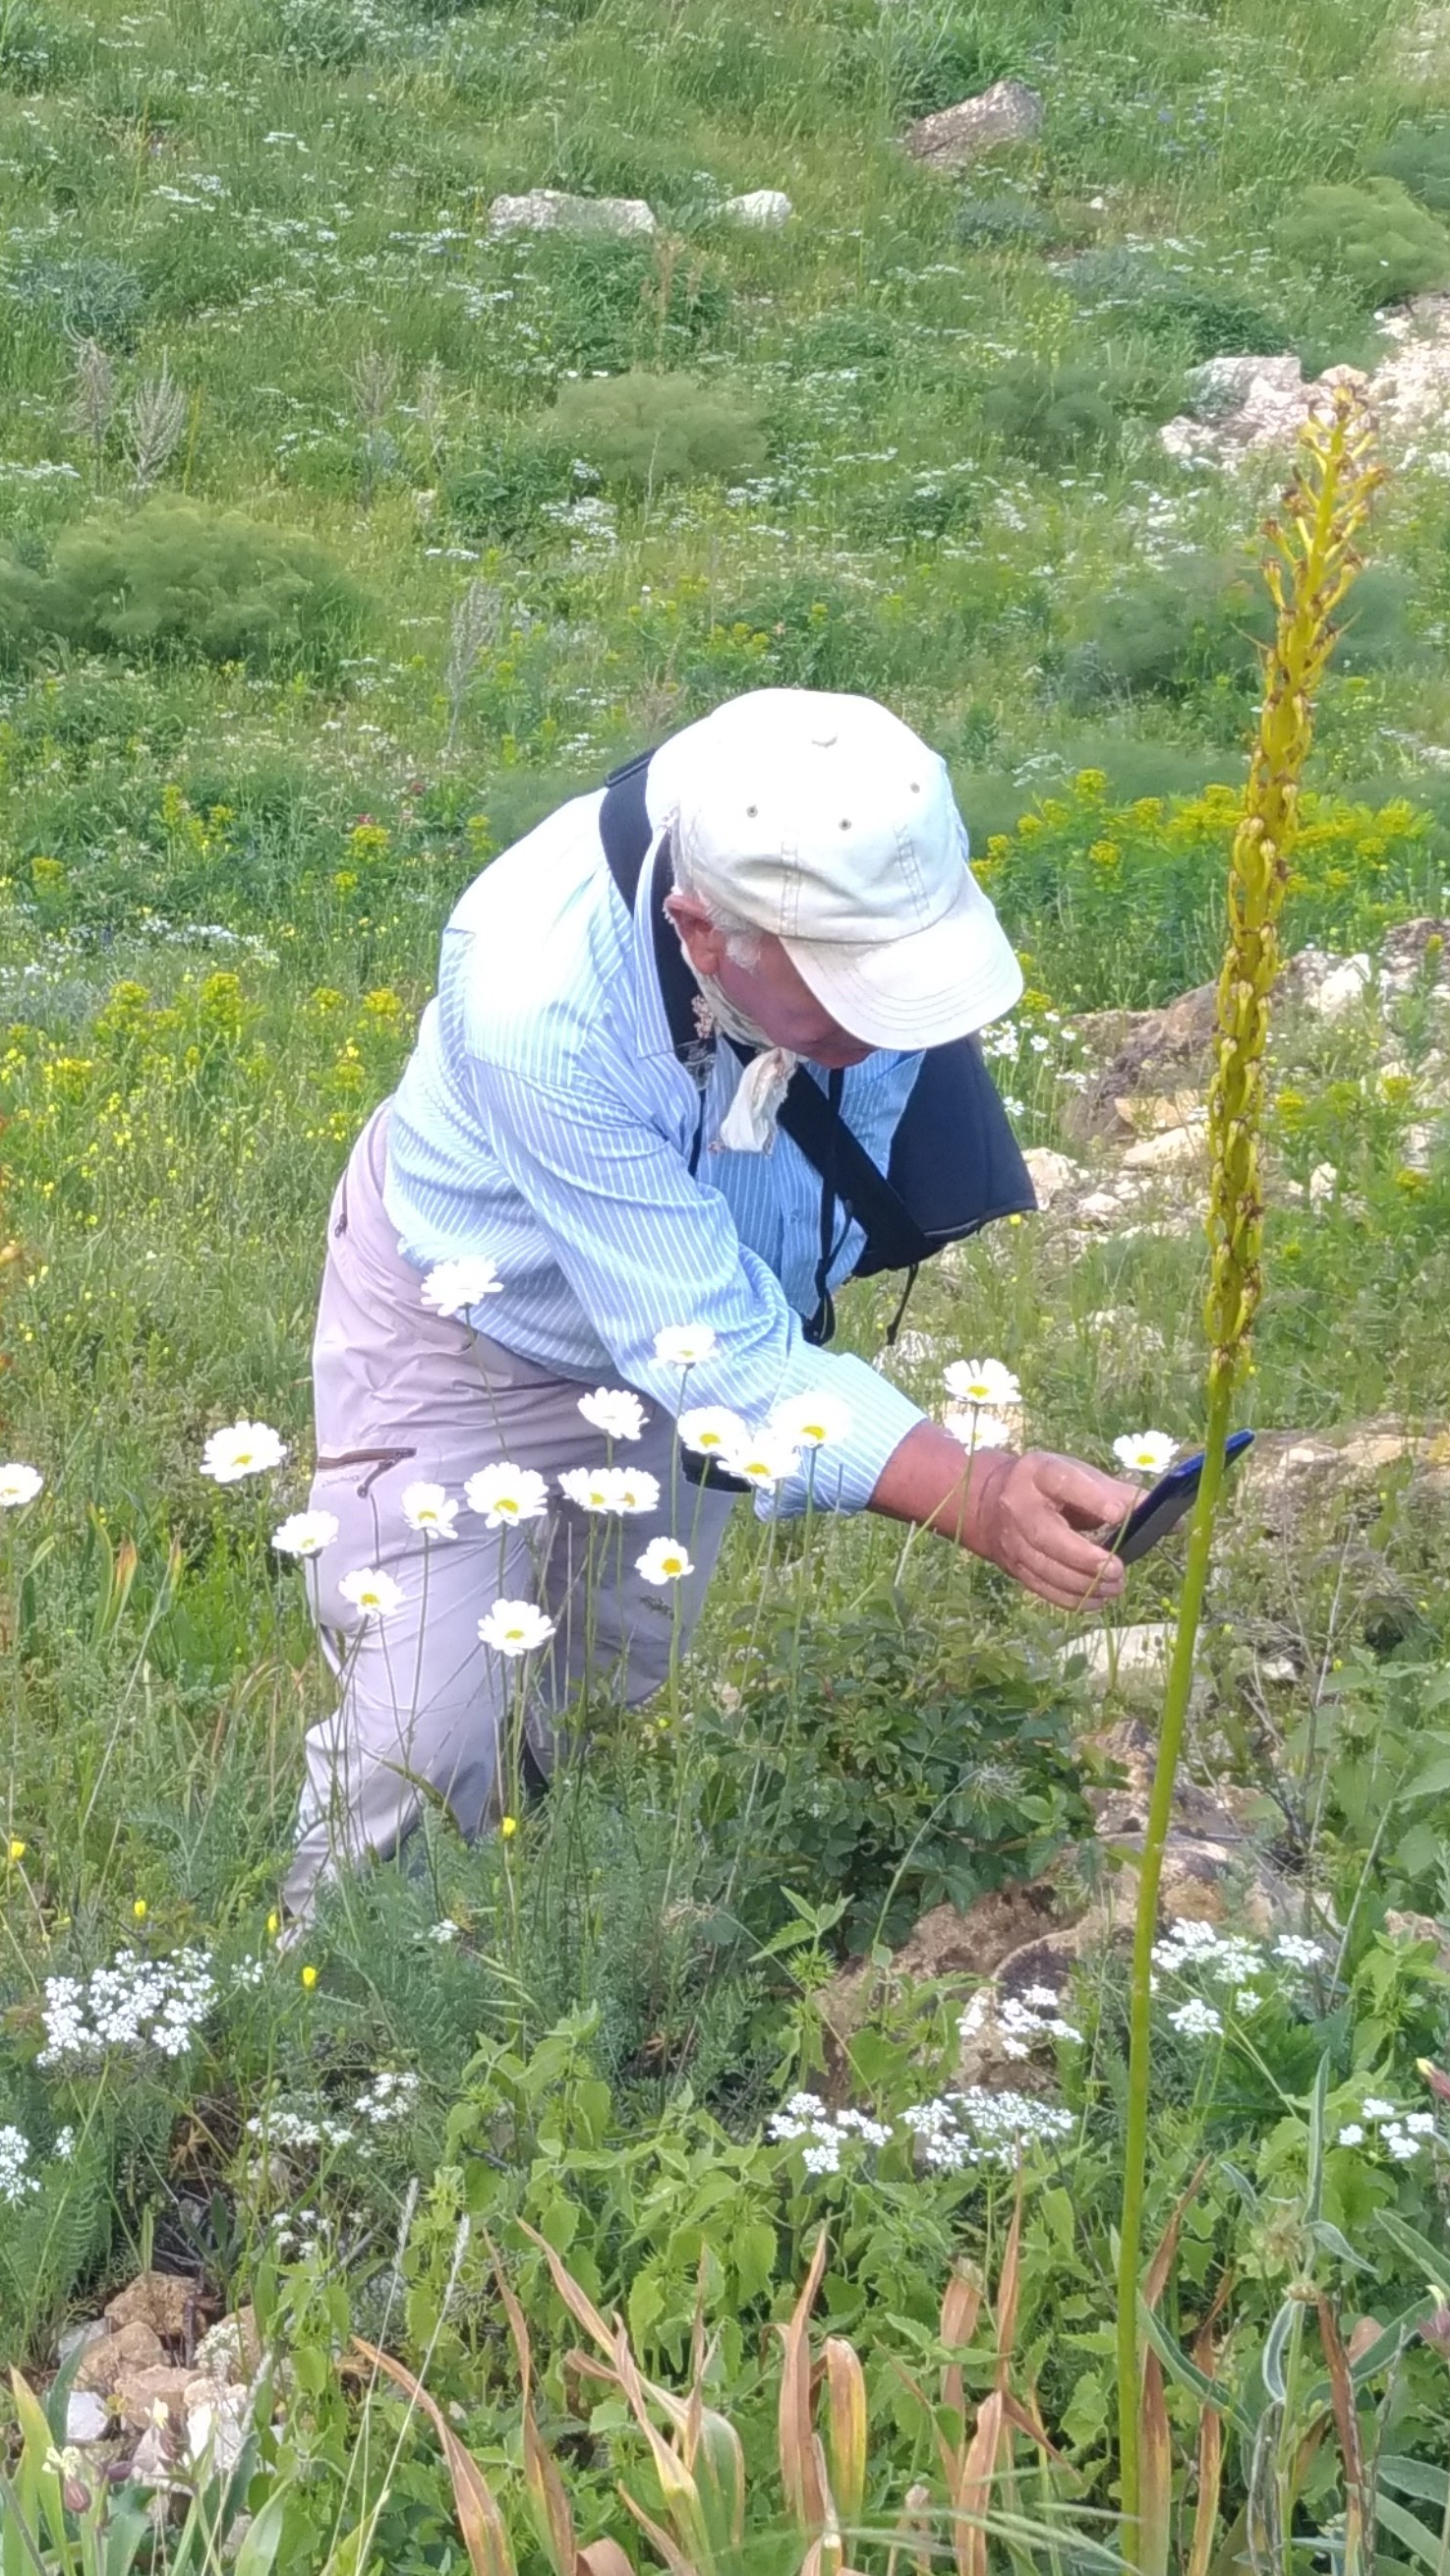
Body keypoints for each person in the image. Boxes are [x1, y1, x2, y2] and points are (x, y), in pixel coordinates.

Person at [285, 686, 1143, 1916]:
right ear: (701, 931)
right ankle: (320, 2022)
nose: (892, 1025)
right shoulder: (542, 992)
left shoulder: (837, 829)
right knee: (427, 1730)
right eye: (850, 993)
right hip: (471, 1325)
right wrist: (975, 1489)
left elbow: (731, 1318)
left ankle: (531, 1943)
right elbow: (717, 1355)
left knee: (612, 1688)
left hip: (704, 1329)